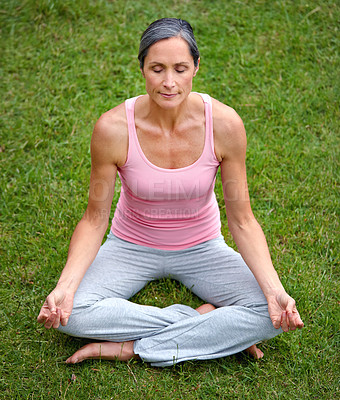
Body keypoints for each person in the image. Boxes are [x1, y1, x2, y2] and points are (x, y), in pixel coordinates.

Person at [37, 18, 304, 367]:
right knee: (72, 313)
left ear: (196, 67)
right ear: (142, 69)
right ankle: (208, 329)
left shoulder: (224, 125)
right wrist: (65, 286)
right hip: (130, 246)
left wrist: (274, 290)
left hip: (203, 247)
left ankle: (132, 348)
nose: (168, 82)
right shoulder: (112, 129)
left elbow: (242, 220)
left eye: (180, 69)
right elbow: (94, 219)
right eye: (157, 69)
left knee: (271, 312)